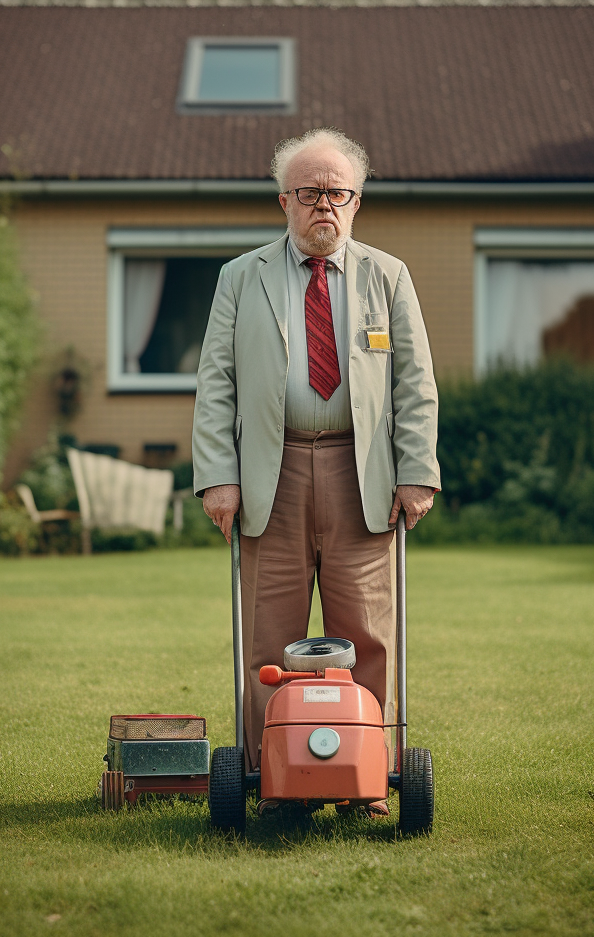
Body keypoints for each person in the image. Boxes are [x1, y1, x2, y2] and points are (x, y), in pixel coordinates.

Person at [192, 128, 440, 808]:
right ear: (284, 201)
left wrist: (416, 470)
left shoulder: (388, 276)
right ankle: (271, 777)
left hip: (362, 475)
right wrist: (218, 474)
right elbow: (215, 382)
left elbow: (415, 382)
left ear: (356, 202)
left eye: (337, 193)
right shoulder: (240, 278)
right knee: (268, 640)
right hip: (269, 478)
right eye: (309, 193)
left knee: (367, 634)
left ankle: (366, 781)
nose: (323, 206)